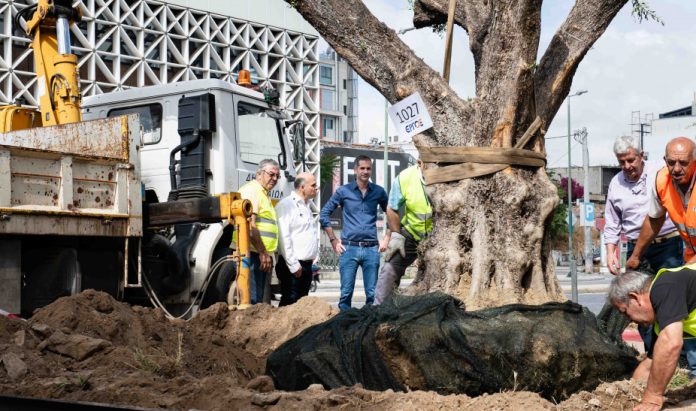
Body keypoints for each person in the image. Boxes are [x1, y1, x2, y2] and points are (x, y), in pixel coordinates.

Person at [609, 268, 696, 411]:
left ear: (635, 298)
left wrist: (652, 397)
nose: (630, 320)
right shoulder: (662, 317)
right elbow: (651, 363)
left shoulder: (664, 287)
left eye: (625, 312)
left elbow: (671, 344)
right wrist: (629, 392)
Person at [604, 135, 682, 274]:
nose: (627, 166)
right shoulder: (615, 183)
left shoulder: (661, 171)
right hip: (634, 249)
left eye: (631, 160)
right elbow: (612, 222)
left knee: (668, 292)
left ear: (641, 155)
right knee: (634, 293)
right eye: (621, 162)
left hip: (667, 246)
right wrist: (610, 253)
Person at [320, 155, 388, 311]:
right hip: (349, 249)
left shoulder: (378, 192)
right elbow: (324, 214)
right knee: (345, 294)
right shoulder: (344, 191)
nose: (365, 171)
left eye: (368, 168)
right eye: (362, 168)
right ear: (355, 170)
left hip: (372, 249)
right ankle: (344, 330)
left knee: (372, 294)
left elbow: (391, 213)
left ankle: (369, 329)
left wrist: (386, 238)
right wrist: (333, 240)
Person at [627, 137, 696, 269]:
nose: (676, 169)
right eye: (671, 162)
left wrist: (685, 270)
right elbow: (654, 219)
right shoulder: (661, 181)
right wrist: (635, 256)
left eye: (683, 163)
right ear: (665, 160)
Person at [375, 160, 432, 304]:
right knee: (389, 269)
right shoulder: (405, 178)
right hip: (412, 234)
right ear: (420, 162)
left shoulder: (446, 175)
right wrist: (396, 236)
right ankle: (379, 307)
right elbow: (391, 208)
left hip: (438, 236)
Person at [235, 159, 280, 304]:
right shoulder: (252, 191)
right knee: (252, 300)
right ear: (259, 174)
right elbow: (249, 226)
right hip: (251, 253)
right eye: (271, 174)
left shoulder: (262, 193)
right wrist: (262, 252)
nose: (274, 179)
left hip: (257, 253)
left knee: (258, 299)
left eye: (277, 176)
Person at [275, 172, 319, 306]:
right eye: (313, 185)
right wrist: (293, 264)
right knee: (290, 301)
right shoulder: (286, 205)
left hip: (306, 265)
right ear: (302, 187)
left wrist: (314, 258)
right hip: (292, 265)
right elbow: (284, 237)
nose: (316, 188)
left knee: (301, 305)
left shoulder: (307, 205)